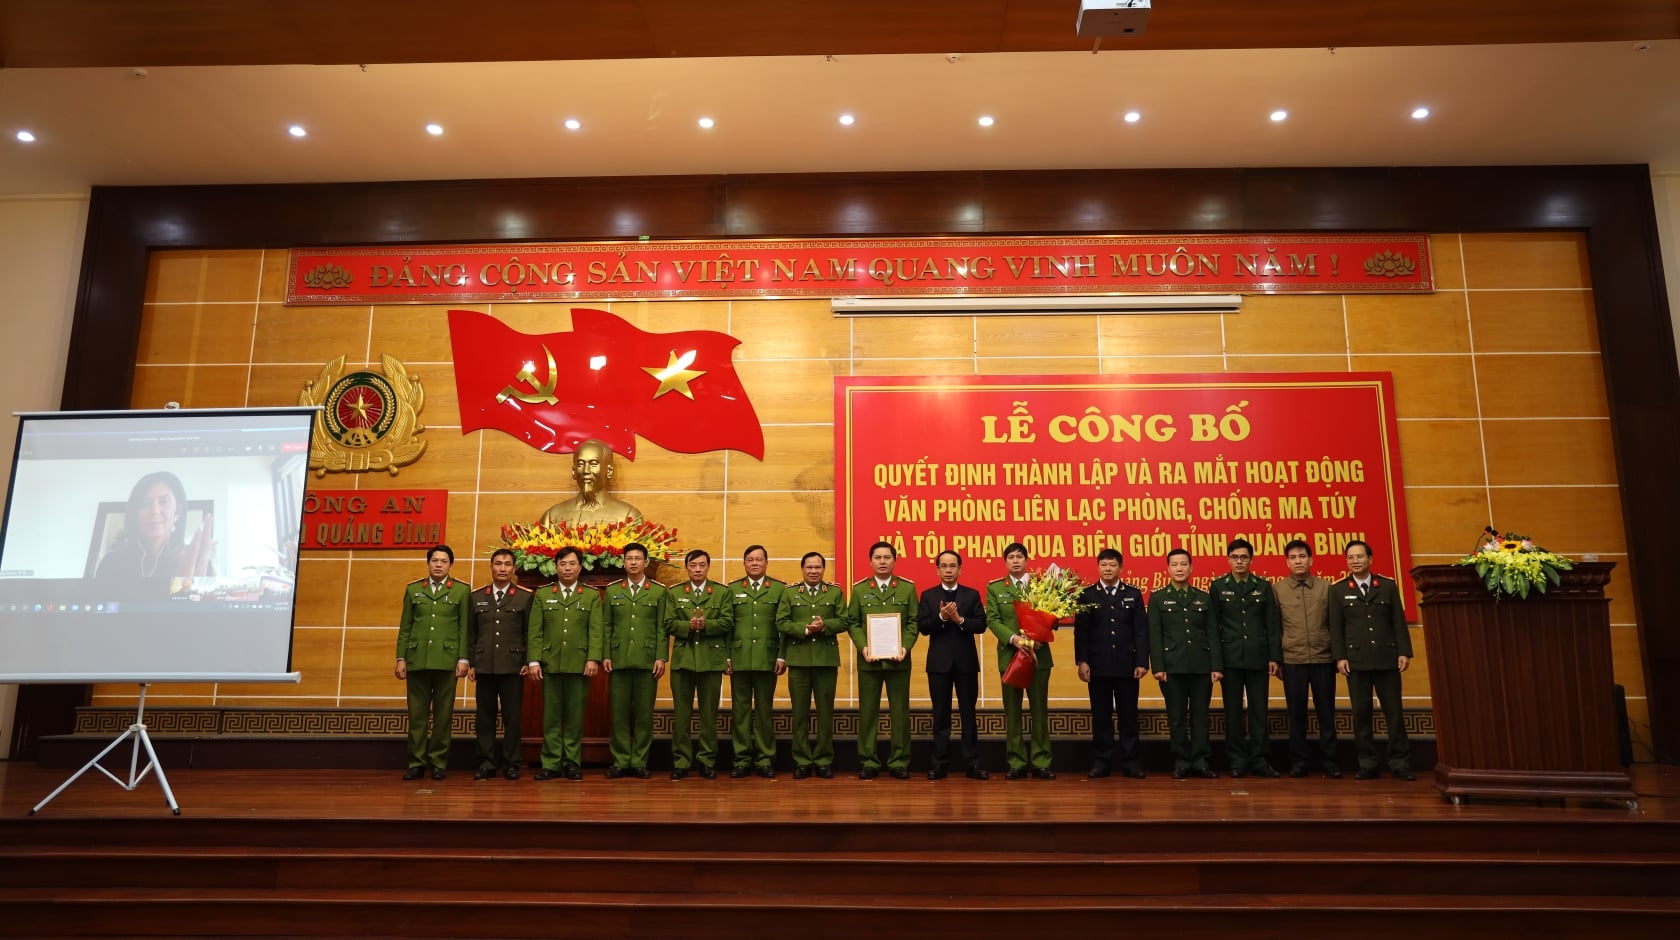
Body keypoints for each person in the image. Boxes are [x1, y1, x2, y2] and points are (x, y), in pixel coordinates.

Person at [1328, 540, 1415, 781]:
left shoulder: (1386, 586)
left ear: (1370, 559)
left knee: (1394, 713)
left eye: (1359, 556)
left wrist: (1404, 652)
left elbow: (1398, 621)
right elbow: (1336, 628)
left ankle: (1400, 763)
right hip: (1355, 661)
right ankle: (1367, 763)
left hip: (1387, 659)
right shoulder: (1337, 590)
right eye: (1350, 557)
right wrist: (1340, 657)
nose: (1355, 561)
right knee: (1361, 714)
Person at [525, 546, 603, 781]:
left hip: (579, 664)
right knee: (551, 716)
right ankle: (550, 763)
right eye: (563, 564)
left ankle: (571, 762)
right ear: (555, 567)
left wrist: (593, 658)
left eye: (572, 564)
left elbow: (596, 631)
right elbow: (535, 630)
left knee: (575, 716)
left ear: (580, 567)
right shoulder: (543, 593)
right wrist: (534, 661)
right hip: (550, 663)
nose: (567, 568)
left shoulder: (590, 595)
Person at [394, 544, 470, 781]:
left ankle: (438, 763)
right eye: (435, 560)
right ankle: (416, 763)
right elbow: (405, 627)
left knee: (443, 716)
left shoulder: (461, 591)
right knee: (416, 716)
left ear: (450, 565)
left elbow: (464, 628)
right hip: (417, 660)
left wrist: (463, 658)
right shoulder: (414, 589)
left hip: (447, 662)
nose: (438, 564)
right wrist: (401, 657)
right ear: (428, 563)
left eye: (443, 561)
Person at [845, 540, 919, 779]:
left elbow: (913, 623)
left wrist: (905, 647)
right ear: (871, 561)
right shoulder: (859, 589)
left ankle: (899, 761)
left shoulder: (907, 588)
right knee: (868, 713)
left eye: (887, 557)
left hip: (899, 661)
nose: (883, 562)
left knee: (900, 712)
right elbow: (853, 622)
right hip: (869, 661)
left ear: (894, 561)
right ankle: (869, 761)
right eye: (878, 557)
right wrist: (863, 646)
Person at [1074, 547, 1149, 780]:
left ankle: (1131, 762)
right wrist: (1082, 661)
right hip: (1098, 666)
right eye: (1104, 565)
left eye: (1113, 565)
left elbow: (1141, 632)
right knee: (1101, 716)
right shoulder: (1087, 595)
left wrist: (1141, 661)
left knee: (1129, 716)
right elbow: (1081, 632)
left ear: (1121, 568)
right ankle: (1101, 761)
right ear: (1098, 567)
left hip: (1128, 666)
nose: (1108, 569)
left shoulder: (1133, 594)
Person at [1210, 538, 1282, 778]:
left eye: (1244, 557)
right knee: (1232, 712)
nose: (1239, 561)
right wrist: (1216, 663)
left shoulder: (1262, 586)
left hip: (1258, 657)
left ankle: (1260, 759)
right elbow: (1214, 627)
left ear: (1251, 559)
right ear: (1228, 559)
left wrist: (1274, 657)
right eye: (1235, 557)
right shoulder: (1218, 586)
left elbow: (1272, 624)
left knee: (1259, 711)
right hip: (1229, 660)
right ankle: (1237, 760)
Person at [1149, 548, 1222, 780]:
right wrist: (1158, 666)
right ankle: (1181, 761)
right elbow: (1155, 635)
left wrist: (1216, 666)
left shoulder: (1203, 597)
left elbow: (1213, 633)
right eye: (1174, 564)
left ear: (1191, 568)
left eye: (1183, 564)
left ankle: (1200, 761)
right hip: (1172, 667)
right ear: (1167, 569)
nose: (1179, 569)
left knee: (1201, 715)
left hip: (1201, 667)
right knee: (1177, 716)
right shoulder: (1158, 598)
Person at [986, 542, 1055, 780]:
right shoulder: (996, 588)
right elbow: (993, 620)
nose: (1015, 561)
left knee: (1039, 711)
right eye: (1011, 557)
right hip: (1011, 656)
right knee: (1012, 713)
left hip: (1038, 656)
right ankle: (1016, 762)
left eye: (1019, 557)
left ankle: (1041, 761)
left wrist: (1043, 629)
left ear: (1027, 560)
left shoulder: (1043, 585)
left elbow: (1054, 615)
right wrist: (1014, 639)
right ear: (1005, 562)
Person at [600, 542, 670, 778]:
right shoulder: (612, 591)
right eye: (629, 558)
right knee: (618, 714)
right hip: (618, 659)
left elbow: (662, 627)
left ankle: (639, 761)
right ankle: (620, 761)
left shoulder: (659, 591)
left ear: (646, 562)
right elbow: (606, 626)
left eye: (638, 558)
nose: (633, 562)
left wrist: (661, 656)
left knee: (643, 714)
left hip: (647, 660)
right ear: (623, 562)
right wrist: (606, 654)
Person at [775, 551, 847, 779]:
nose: (813, 571)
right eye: (809, 567)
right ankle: (802, 760)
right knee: (800, 714)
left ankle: (824, 760)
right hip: (799, 661)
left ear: (823, 570)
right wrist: (805, 629)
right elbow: (781, 622)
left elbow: (845, 620)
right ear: (802, 569)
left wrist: (825, 625)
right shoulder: (790, 593)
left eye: (818, 567)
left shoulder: (835, 592)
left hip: (826, 661)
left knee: (826, 714)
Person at [918, 550, 988, 780]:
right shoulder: (928, 596)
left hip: (966, 663)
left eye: (952, 566)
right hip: (939, 664)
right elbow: (923, 627)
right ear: (937, 569)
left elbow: (980, 625)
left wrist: (960, 621)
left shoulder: (971, 595)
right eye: (944, 566)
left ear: (960, 569)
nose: (948, 570)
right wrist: (941, 618)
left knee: (969, 714)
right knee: (940, 715)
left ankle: (973, 763)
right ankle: (939, 764)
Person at [1274, 539, 1340, 778]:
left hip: (1323, 658)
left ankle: (1330, 761)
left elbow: (1335, 625)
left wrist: (1337, 656)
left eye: (1302, 556)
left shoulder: (1326, 588)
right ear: (1287, 562)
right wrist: (1277, 659)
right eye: (1293, 557)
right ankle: (1299, 761)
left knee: (1326, 712)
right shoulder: (1278, 590)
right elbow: (1275, 628)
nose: (1298, 561)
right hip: (1293, 660)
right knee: (1296, 713)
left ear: (1311, 560)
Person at [468, 548, 533, 780]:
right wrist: (472, 662)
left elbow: (529, 633)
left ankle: (512, 762)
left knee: (512, 717)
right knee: (484, 717)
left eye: (507, 564)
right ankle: (486, 762)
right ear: (491, 567)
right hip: (484, 665)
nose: (502, 568)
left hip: (513, 665)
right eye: (498, 564)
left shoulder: (524, 597)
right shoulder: (477, 596)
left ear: (514, 569)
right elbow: (471, 634)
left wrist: (527, 660)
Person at [667, 548, 731, 780]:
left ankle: (707, 761)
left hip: (711, 661)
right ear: (687, 567)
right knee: (681, 716)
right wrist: (688, 627)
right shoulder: (674, 593)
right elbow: (668, 623)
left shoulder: (721, 592)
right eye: (693, 565)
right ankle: (681, 762)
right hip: (683, 661)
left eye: (702, 565)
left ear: (708, 567)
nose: (697, 569)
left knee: (708, 716)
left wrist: (706, 626)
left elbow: (727, 622)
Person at [726, 545, 786, 777]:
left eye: (759, 559)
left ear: (766, 563)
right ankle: (741, 759)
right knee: (739, 712)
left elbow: (783, 627)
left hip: (767, 658)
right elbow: (728, 626)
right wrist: (727, 656)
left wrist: (782, 655)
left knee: (764, 712)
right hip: (739, 659)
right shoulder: (732, 589)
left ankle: (764, 759)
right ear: (744, 563)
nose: (754, 563)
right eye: (750, 560)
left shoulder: (780, 589)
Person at [94, 470, 214, 580]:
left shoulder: (196, 563)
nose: (155, 511)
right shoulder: (111, 564)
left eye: (164, 502)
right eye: (144, 504)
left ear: (178, 512)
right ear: (135, 513)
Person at [540, 438, 644, 526]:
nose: (586, 471)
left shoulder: (629, 517)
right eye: (580, 464)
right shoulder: (552, 517)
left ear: (609, 471)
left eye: (593, 464)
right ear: (574, 471)